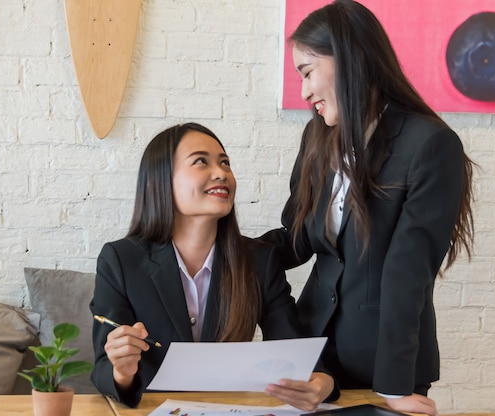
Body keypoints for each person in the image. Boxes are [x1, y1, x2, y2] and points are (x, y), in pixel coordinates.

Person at [260, 2, 475, 416]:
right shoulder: (317, 137)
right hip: (314, 357)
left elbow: (408, 272)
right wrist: (221, 246)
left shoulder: (429, 145)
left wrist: (392, 387)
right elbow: (298, 240)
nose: (304, 91)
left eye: (307, 71)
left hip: (386, 364)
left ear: (348, 57)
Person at [90, 123, 336, 409]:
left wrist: (323, 382)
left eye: (225, 163)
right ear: (161, 179)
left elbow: (296, 350)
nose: (221, 173)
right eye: (200, 162)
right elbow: (102, 369)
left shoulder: (259, 260)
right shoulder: (120, 260)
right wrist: (122, 371)